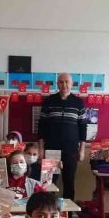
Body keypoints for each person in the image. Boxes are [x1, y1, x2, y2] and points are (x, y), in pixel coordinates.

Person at [37, 72, 87, 201]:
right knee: (48, 183)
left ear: (72, 84)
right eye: (61, 82)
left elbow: (83, 127)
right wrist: (41, 149)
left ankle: (67, 212)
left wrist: (82, 150)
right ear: (57, 84)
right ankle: (47, 209)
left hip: (71, 150)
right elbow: (41, 126)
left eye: (67, 82)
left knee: (69, 183)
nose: (64, 84)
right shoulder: (49, 101)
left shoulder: (78, 103)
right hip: (51, 149)